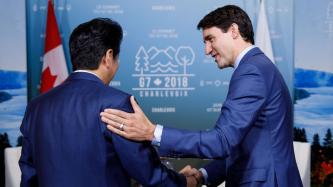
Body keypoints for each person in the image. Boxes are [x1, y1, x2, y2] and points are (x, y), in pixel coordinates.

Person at [100, 5, 303, 187]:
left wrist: (153, 132)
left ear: (234, 31)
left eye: (210, 39)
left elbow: (222, 141)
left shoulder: (252, 72)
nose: (207, 50)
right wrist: (202, 175)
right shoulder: (258, 67)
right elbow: (241, 146)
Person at [19, 18, 195, 187]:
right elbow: (147, 173)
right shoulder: (119, 103)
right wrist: (185, 182)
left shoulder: (35, 107)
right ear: (108, 56)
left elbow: (29, 175)